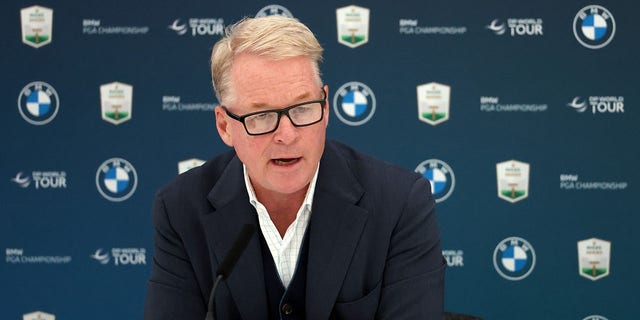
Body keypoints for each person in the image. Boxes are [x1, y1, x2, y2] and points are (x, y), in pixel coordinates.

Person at [144, 15, 445, 320]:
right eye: (261, 115)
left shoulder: (399, 204)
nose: (286, 135)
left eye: (302, 109)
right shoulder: (181, 209)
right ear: (225, 126)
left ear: (326, 108)